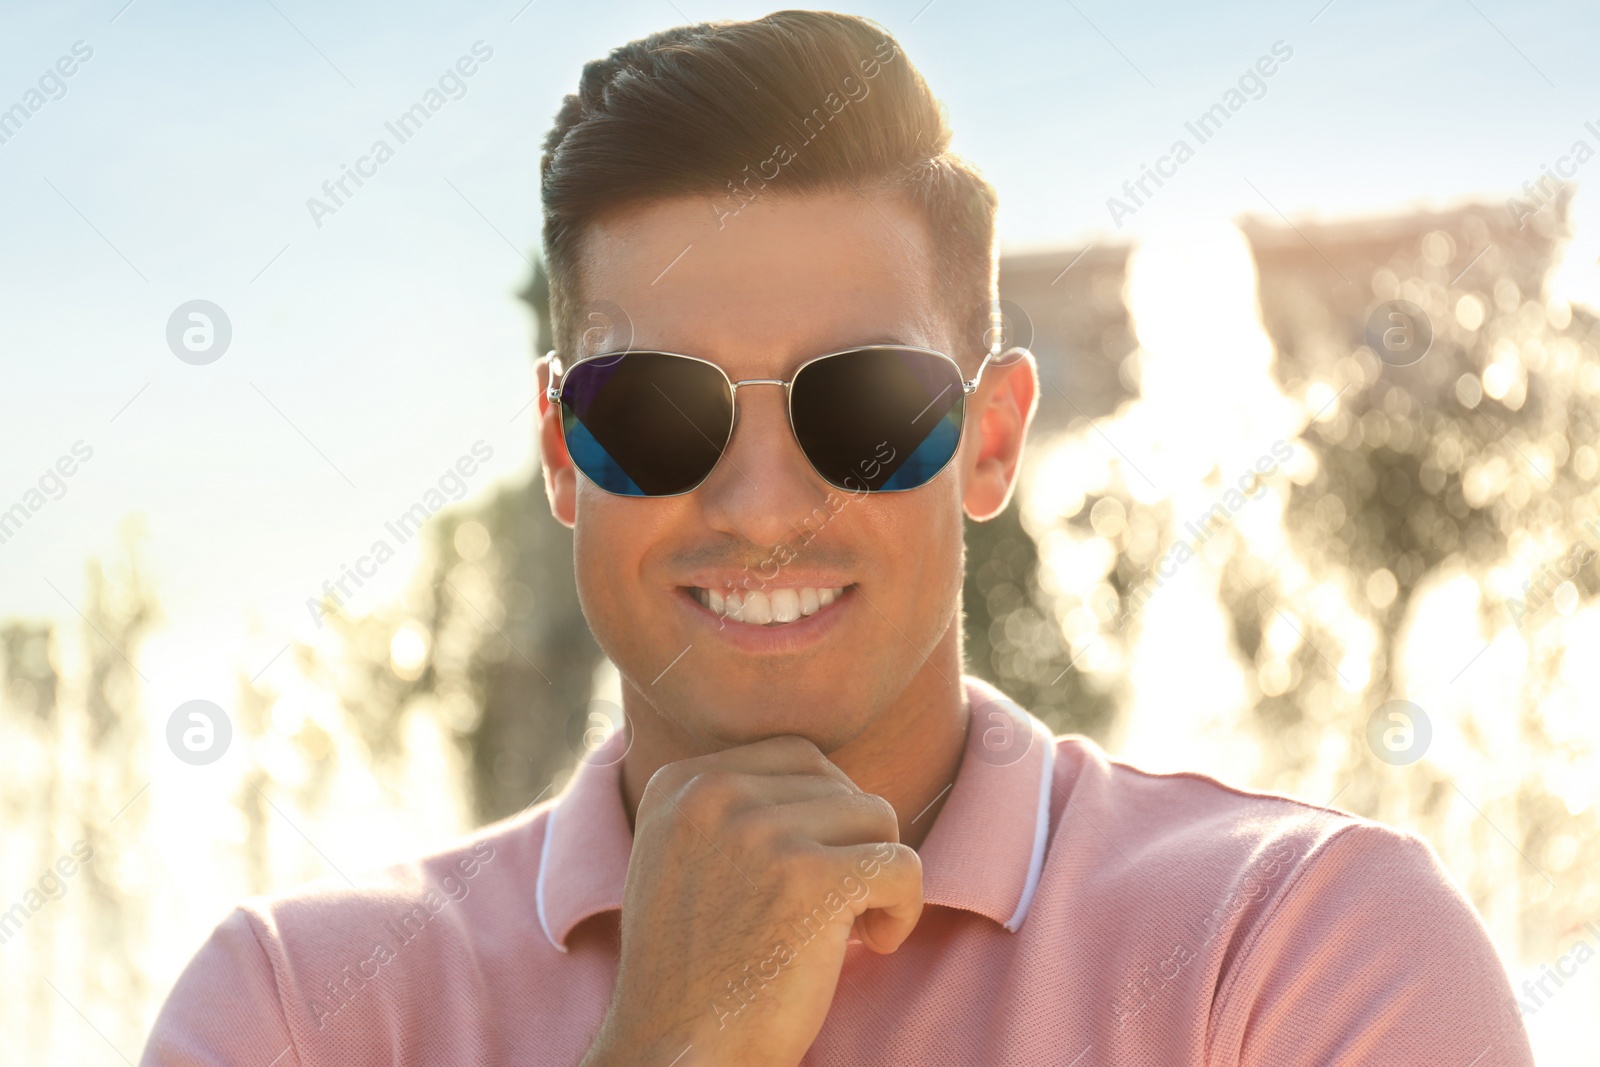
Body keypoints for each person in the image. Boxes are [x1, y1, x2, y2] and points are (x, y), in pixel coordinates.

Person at [141, 10, 1535, 1065]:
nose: (760, 507)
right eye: (658, 410)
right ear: (565, 453)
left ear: (990, 440)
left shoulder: (1299, 944)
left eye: (864, 406)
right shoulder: (291, 1008)